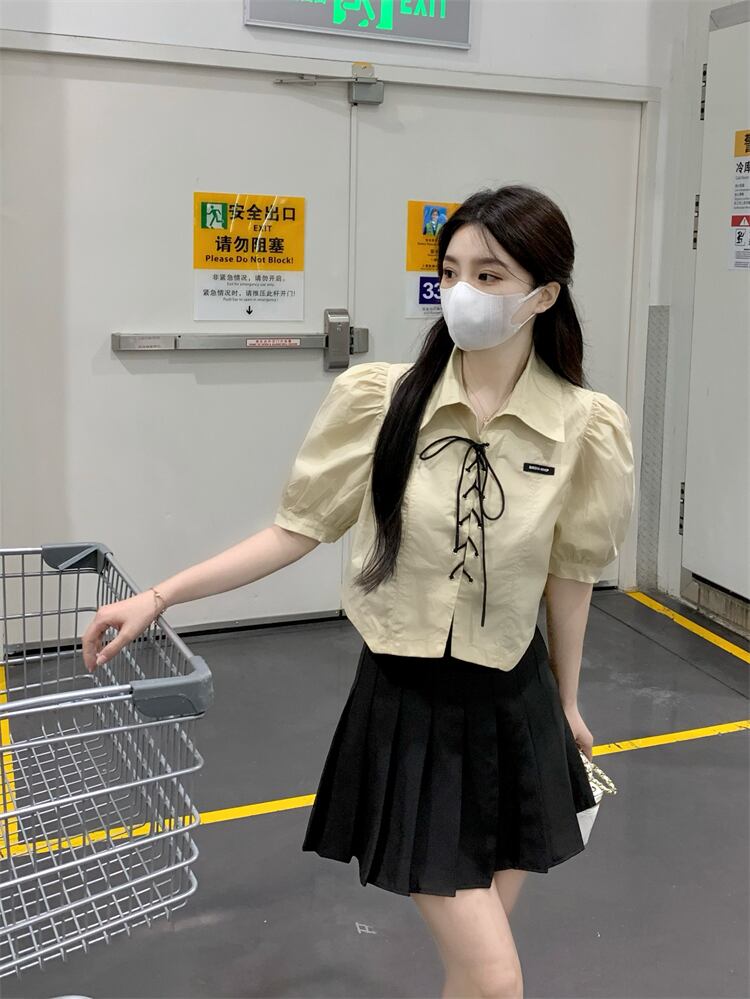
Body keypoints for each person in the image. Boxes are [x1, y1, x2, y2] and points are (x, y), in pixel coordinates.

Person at [82, 184, 635, 999]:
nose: (463, 292)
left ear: (543, 295)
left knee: (472, 969)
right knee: (496, 977)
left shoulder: (586, 426)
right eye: (451, 271)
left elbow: (572, 572)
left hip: (515, 707)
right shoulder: (384, 401)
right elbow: (295, 529)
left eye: (489, 275)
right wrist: (161, 596)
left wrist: (569, 700)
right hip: (410, 708)